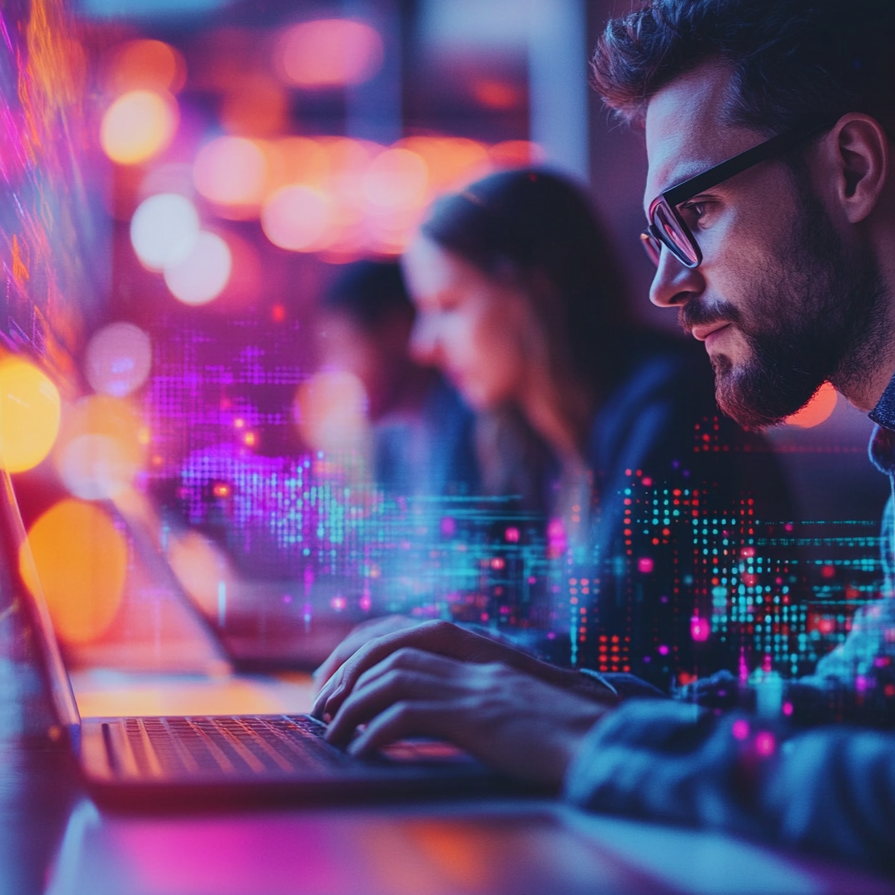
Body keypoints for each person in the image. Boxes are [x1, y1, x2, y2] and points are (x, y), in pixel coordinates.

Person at [313, 0, 895, 872]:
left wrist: (583, 737)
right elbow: (854, 705)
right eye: (659, 232)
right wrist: (558, 695)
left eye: (694, 212)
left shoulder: (659, 416)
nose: (665, 284)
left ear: (850, 169)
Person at [315, 168, 794, 691]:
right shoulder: (525, 442)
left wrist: (443, 649)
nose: (423, 346)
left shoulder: (674, 408)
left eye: (447, 307)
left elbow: (623, 653)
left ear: (530, 289)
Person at [316, 258, 479, 499]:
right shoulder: (390, 445)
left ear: (397, 329)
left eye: (346, 346)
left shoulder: (475, 427)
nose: (336, 372)